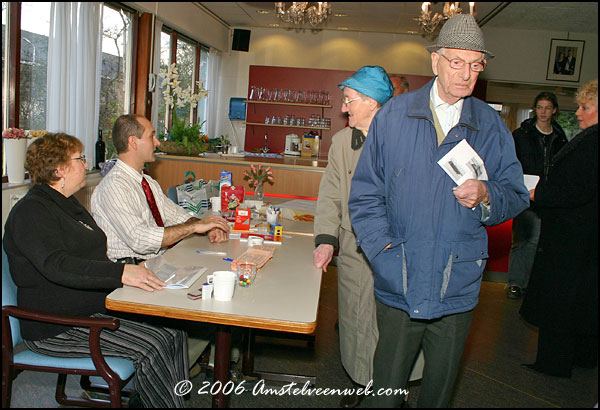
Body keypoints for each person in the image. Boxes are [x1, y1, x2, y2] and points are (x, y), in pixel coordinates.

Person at [348, 14, 529, 407]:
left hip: (456, 283)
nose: (466, 74)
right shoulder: (393, 117)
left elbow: (516, 195)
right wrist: (383, 255)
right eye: (456, 62)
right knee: (386, 393)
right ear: (435, 61)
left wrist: (485, 195)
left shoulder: (491, 126)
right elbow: (364, 198)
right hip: (400, 277)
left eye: (475, 65)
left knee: (438, 395)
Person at [3, 133, 188, 408]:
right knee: (156, 344)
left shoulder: (66, 204)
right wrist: (120, 274)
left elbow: (88, 257)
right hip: (54, 326)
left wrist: (131, 269)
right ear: (60, 170)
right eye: (80, 159)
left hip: (86, 308)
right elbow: (58, 265)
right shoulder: (30, 212)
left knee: (174, 331)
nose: (86, 164)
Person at [314, 66, 395, 408]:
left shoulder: (403, 140)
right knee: (355, 317)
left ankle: (392, 388)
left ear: (373, 102)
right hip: (352, 245)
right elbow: (331, 192)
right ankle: (363, 381)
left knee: (390, 320)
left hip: (393, 247)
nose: (343, 108)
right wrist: (325, 239)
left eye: (349, 100)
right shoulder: (342, 142)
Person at [520, 79, 598, 377]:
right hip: (584, 237)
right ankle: (583, 357)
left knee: (560, 303)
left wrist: (539, 194)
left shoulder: (591, 143)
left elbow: (574, 190)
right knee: (583, 302)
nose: (578, 112)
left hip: (571, 238)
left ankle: (554, 364)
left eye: (585, 107)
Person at [91, 114, 229, 264]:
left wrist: (208, 227)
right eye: (152, 137)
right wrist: (195, 227)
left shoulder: (147, 182)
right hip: (133, 269)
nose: (157, 143)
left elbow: (178, 216)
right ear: (133, 142)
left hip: (156, 262)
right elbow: (140, 240)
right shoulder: (114, 187)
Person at [505, 92, 568, 299]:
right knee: (524, 240)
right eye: (539, 107)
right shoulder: (521, 135)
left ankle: (533, 284)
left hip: (549, 196)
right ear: (535, 109)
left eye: (547, 108)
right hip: (525, 194)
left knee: (542, 242)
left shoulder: (560, 138)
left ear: (554, 111)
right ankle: (515, 283)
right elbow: (510, 163)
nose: (543, 112)